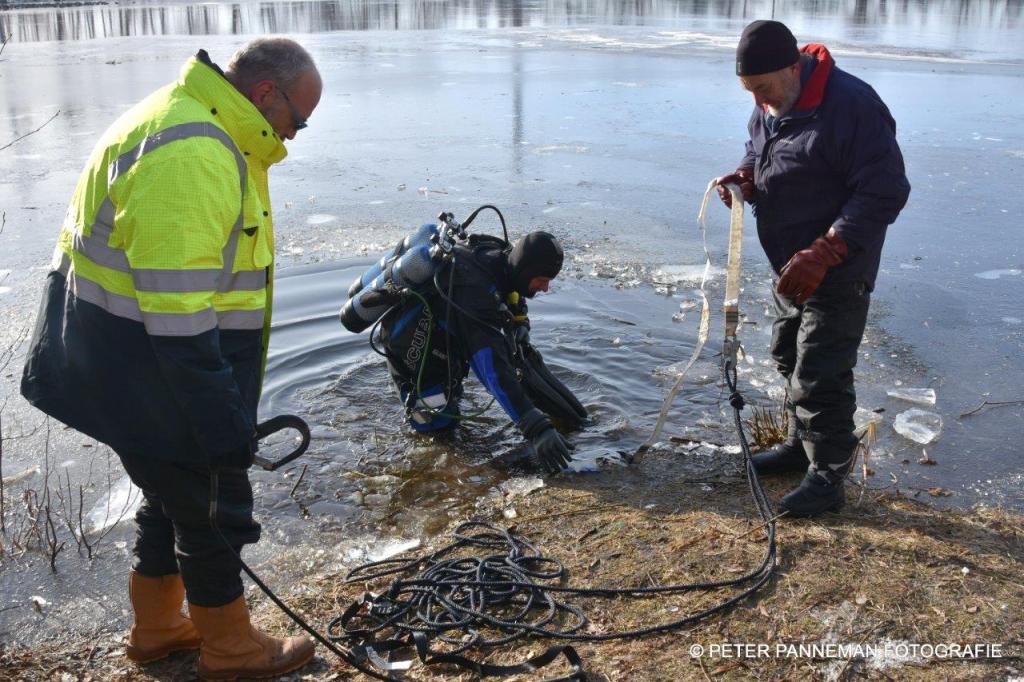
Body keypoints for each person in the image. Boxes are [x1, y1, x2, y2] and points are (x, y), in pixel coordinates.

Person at [20, 38, 322, 678]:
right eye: (298, 120)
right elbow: (179, 314)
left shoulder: (186, 118)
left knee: (170, 496)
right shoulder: (194, 151)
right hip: (156, 369)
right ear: (266, 94)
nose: (295, 137)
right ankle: (231, 649)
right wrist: (219, 419)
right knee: (214, 508)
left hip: (123, 364)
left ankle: (158, 629)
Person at [716, 20, 910, 517]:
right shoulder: (771, 102)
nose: (758, 98)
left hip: (839, 264)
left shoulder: (852, 107)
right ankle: (802, 447)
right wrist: (745, 177)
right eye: (748, 90)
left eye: (763, 87)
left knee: (821, 370)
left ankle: (828, 478)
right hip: (789, 262)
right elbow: (761, 149)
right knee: (786, 353)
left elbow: (885, 190)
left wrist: (824, 252)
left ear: (792, 66)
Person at [374, 230, 584, 473]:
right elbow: (492, 370)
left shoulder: (500, 259)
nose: (546, 288)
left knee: (453, 401)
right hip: (415, 354)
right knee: (438, 434)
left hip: (443, 344)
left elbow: (513, 293)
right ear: (526, 269)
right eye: (542, 279)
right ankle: (431, 475)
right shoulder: (474, 292)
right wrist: (535, 427)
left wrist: (521, 323)